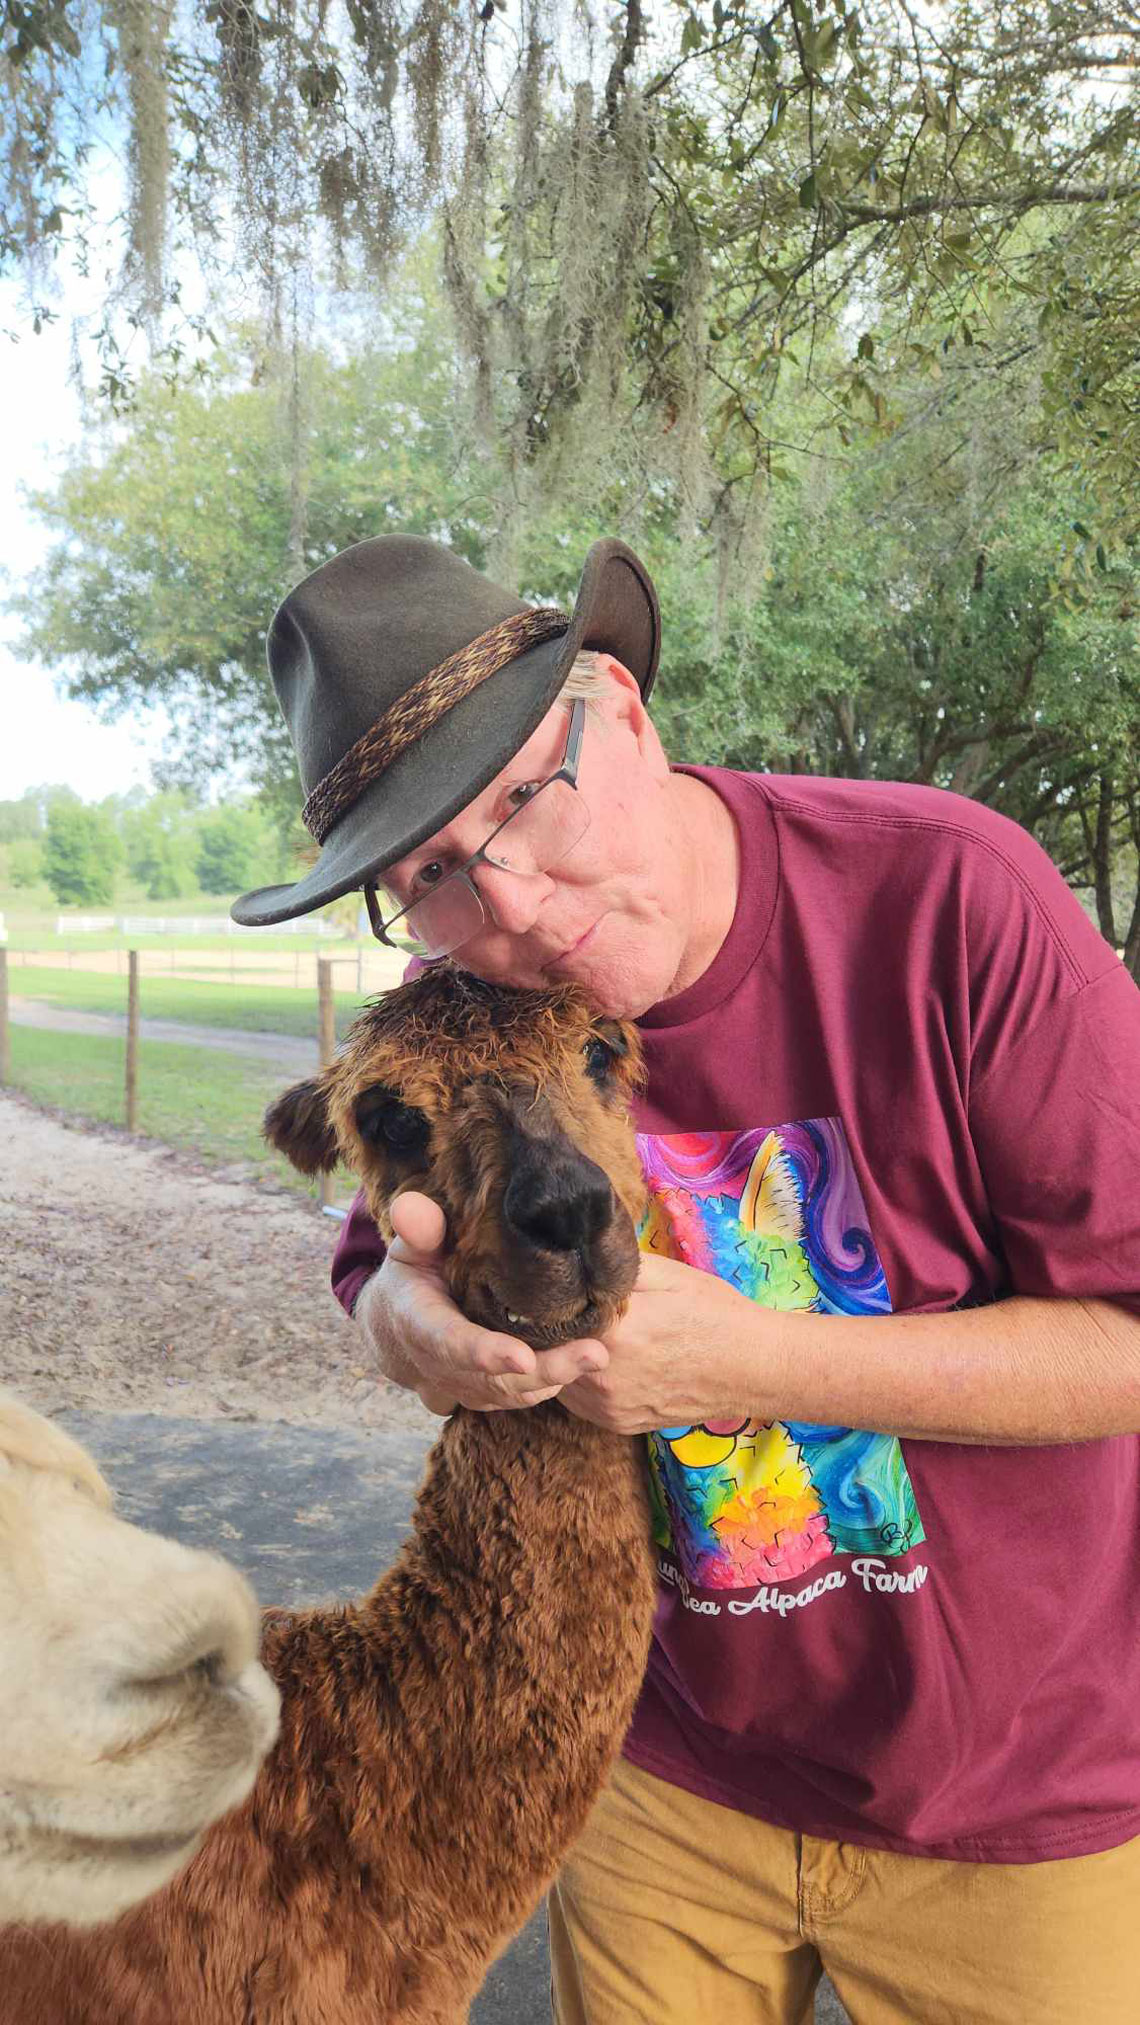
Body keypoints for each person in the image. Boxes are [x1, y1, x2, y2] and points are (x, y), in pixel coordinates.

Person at [234, 532, 1140, 2025]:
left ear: (623, 709)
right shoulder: (468, 999)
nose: (510, 899)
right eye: (432, 875)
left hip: (1013, 1806)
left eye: (527, 794)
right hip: (665, 1783)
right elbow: (377, 1259)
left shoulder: (948, 902)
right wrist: (408, 1322)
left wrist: (759, 1363)